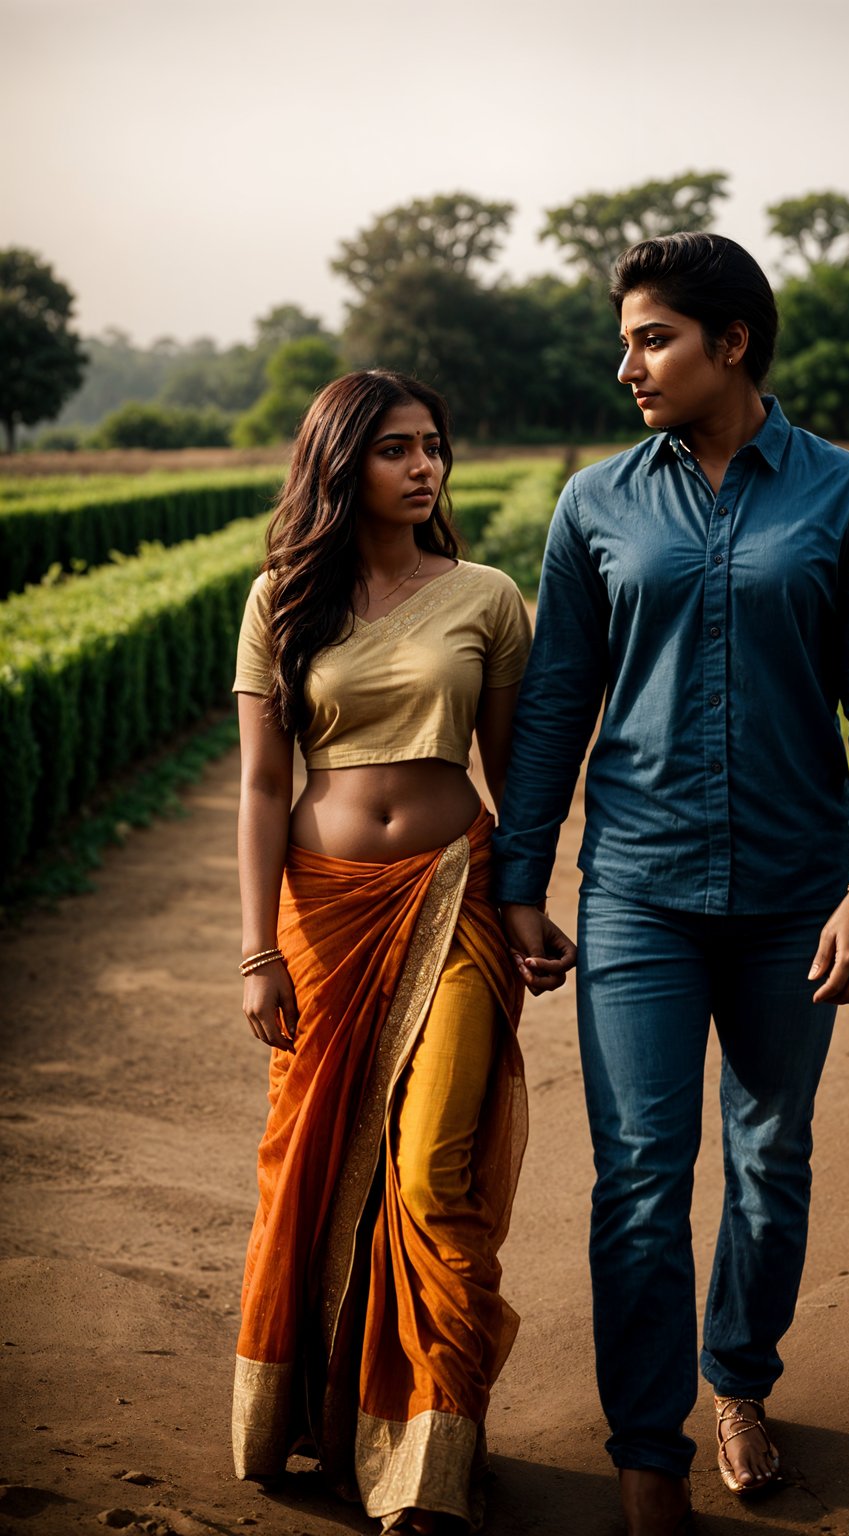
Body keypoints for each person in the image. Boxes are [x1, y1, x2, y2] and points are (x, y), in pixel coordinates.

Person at [493, 233, 849, 1535]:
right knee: (638, 1173)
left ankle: (737, 1379)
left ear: (731, 342)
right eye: (627, 338)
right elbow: (558, 702)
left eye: (652, 337)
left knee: (769, 1155)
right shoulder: (595, 504)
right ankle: (646, 1452)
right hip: (638, 885)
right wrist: (524, 875)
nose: (625, 363)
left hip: (798, 891)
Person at [230, 370, 536, 1535]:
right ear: (339, 462)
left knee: (430, 1174)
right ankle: (304, 1416)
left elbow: (513, 780)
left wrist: (523, 906)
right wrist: (257, 951)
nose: (425, 468)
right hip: (323, 915)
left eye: (434, 447)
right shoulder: (283, 601)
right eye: (396, 449)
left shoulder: (489, 596)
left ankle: (428, 1455)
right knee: (311, 1172)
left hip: (452, 897)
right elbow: (264, 787)